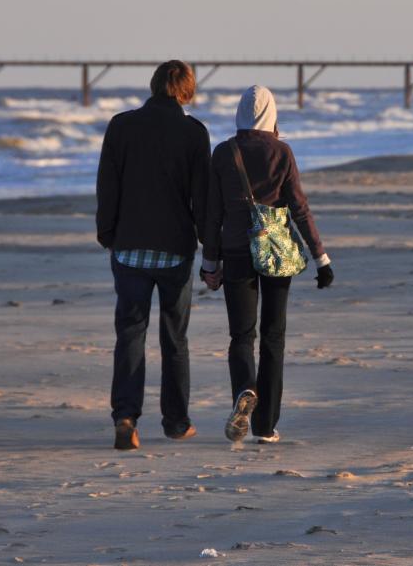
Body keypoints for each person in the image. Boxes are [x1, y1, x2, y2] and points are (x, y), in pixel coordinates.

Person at [201, 85, 334, 444]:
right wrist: (321, 258)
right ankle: (265, 426)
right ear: (271, 115)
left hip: (236, 251)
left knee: (242, 336)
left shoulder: (224, 153)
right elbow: (299, 207)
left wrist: (210, 262)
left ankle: (245, 389)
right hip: (277, 252)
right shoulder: (282, 152)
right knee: (274, 337)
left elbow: (212, 213)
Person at [96, 60, 210, 451]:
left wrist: (107, 233)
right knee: (174, 338)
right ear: (187, 91)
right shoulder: (194, 133)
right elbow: (202, 198)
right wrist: (209, 246)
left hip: (128, 247)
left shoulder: (121, 125)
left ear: (153, 86)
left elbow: (107, 185)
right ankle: (176, 422)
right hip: (175, 250)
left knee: (130, 333)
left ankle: (126, 416)